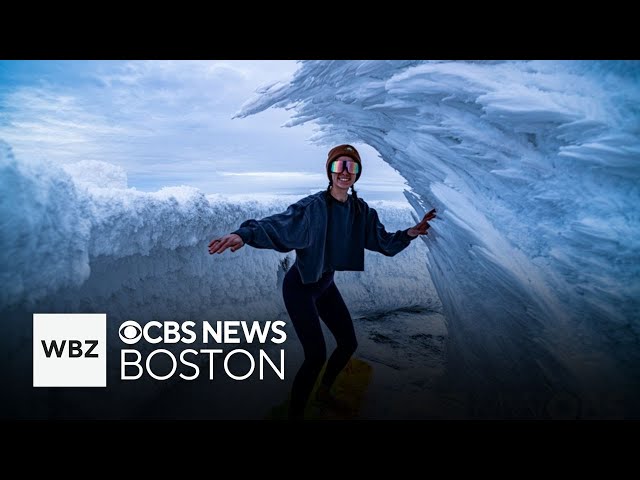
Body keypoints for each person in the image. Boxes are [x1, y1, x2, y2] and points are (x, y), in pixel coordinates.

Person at [208, 144, 436, 419]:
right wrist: (244, 235)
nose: (344, 172)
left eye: (351, 167)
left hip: (325, 284)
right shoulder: (312, 208)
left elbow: (383, 241)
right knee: (315, 356)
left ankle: (323, 393)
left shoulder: (360, 211)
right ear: (329, 171)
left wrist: (410, 232)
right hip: (300, 288)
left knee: (348, 343)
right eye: (338, 165)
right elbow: (278, 224)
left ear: (357, 174)